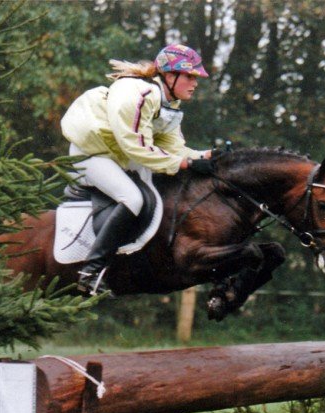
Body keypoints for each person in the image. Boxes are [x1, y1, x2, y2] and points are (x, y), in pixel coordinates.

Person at [60, 44, 216, 295]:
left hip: (119, 155)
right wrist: (186, 163)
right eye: (190, 76)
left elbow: (175, 150)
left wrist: (205, 155)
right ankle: (90, 271)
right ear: (169, 75)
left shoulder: (169, 105)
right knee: (133, 198)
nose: (195, 83)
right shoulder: (140, 94)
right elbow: (136, 146)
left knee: (160, 191)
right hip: (92, 154)